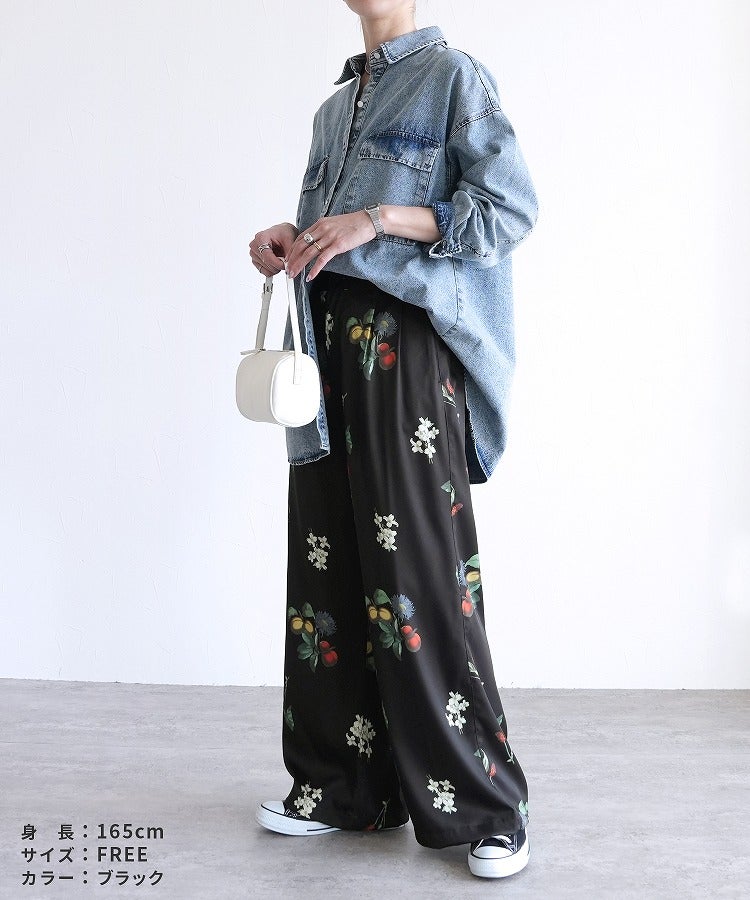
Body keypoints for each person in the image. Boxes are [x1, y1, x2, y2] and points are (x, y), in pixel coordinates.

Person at [248, 0, 538, 880]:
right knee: (328, 564)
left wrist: (378, 218)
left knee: (420, 571)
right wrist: (294, 240)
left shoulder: (454, 78)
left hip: (404, 344)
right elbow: (329, 236)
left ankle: (485, 804)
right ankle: (343, 787)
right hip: (325, 345)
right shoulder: (333, 109)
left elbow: (506, 211)